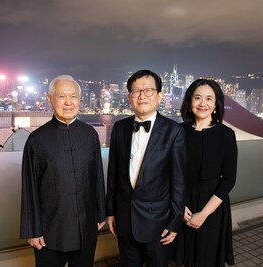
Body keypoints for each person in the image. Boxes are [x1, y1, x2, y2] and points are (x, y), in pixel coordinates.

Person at [20, 75, 106, 267]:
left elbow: (97, 177)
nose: (68, 102)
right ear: (50, 99)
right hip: (50, 232)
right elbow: (29, 188)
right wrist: (32, 230)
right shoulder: (37, 139)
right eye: (61, 97)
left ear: (79, 100)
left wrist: (101, 213)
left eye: (73, 96)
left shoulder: (90, 134)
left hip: (86, 227)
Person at [106, 69, 186, 267]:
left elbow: (178, 182)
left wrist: (175, 221)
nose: (142, 96)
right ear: (129, 97)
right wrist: (111, 211)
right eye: (136, 91)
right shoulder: (119, 128)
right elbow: (113, 173)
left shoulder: (174, 131)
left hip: (158, 222)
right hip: (124, 219)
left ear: (159, 95)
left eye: (148, 90)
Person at [174, 79, 238, 267]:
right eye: (198, 98)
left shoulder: (226, 134)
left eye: (209, 98)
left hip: (212, 207)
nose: (203, 103)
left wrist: (203, 214)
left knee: (208, 259)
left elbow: (228, 180)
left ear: (216, 104)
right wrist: (179, 204)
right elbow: (170, 173)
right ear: (189, 102)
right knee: (182, 258)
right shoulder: (178, 131)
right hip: (182, 203)